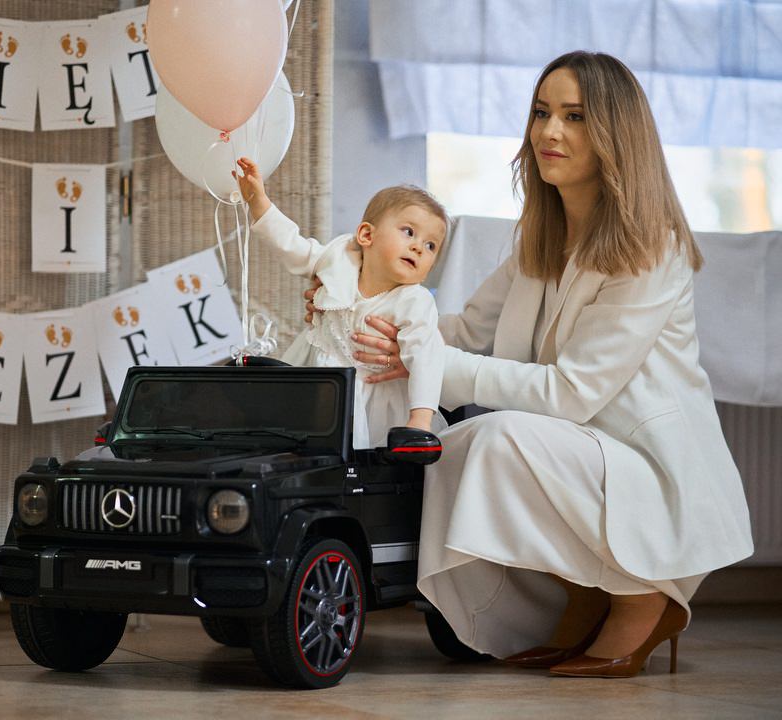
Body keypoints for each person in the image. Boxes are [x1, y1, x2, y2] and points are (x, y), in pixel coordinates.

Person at [315, 51, 754, 677]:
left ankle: (643, 597)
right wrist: (366, 315)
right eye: (541, 112)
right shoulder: (540, 237)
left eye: (574, 116)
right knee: (457, 445)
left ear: (616, 133)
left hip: (648, 465)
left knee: (495, 438)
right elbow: (465, 331)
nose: (549, 131)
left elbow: (573, 392)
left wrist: (421, 362)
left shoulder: (651, 246)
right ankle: (585, 593)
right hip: (583, 449)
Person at [235, 156, 447, 448]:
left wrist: (420, 420)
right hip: (316, 383)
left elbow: (427, 359)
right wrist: (259, 202)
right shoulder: (338, 260)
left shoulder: (415, 301)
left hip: (372, 401)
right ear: (367, 235)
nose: (418, 247)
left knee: (360, 458)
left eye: (431, 245)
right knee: (292, 444)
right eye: (409, 232)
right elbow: (293, 246)